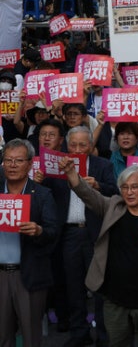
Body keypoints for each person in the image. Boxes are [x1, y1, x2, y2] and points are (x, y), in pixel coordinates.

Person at [59, 160, 138, 347]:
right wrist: (71, 173)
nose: (129, 192)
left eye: (135, 187)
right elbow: (87, 194)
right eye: (125, 187)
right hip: (115, 300)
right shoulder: (113, 207)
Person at [39, 126, 117, 347]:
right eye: (73, 144)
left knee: (100, 287)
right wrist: (40, 180)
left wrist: (98, 185)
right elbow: (45, 195)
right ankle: (79, 332)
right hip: (69, 233)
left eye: (83, 144)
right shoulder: (57, 166)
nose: (77, 149)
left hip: (96, 233)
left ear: (91, 146)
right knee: (73, 286)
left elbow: (116, 193)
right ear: (66, 145)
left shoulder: (103, 165)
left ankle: (104, 335)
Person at [0, 139, 60, 347]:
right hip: (0, 274)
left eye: (18, 160)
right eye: (8, 160)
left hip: (29, 275)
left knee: (31, 336)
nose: (12, 165)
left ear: (29, 164)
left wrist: (39, 230)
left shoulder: (42, 195)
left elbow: (53, 232)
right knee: (2, 337)